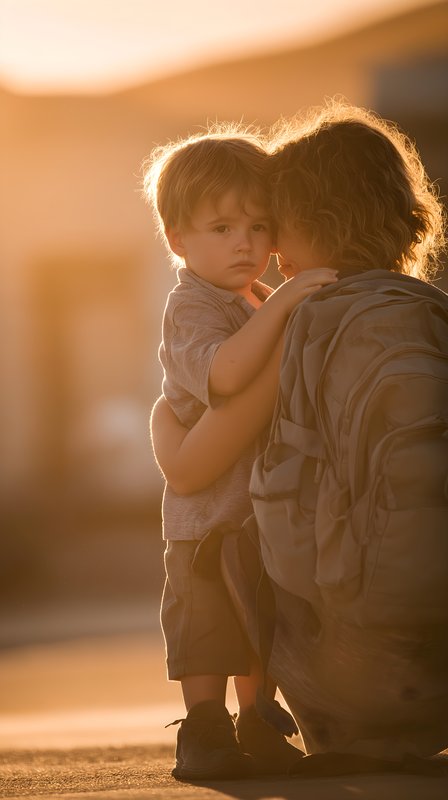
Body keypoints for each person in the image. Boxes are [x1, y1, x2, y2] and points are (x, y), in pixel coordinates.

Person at [150, 101, 448, 767]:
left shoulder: (305, 315)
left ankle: (234, 727)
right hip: (421, 655)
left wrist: (164, 429)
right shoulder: (422, 311)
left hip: (352, 651)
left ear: (309, 220)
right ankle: (221, 725)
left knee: (234, 615)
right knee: (225, 618)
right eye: (230, 227)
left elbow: (193, 466)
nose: (265, 247)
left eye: (268, 225)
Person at [143, 124, 338, 781]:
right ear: (178, 240)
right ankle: (204, 729)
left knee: (264, 624)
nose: (245, 243)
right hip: (207, 515)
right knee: (207, 626)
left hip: (263, 508)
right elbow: (223, 377)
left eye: (258, 226)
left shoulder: (251, 298)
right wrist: (285, 299)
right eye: (222, 228)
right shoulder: (192, 306)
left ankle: (259, 721)